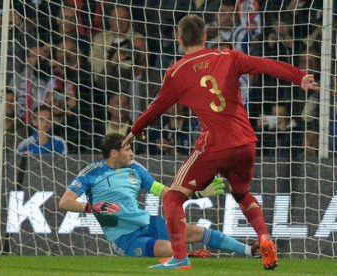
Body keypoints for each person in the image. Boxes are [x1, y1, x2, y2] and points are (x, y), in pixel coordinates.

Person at [123, 14, 319, 270]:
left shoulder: (177, 72)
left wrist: (135, 129)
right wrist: (299, 76)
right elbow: (264, 64)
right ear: (205, 37)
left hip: (214, 145)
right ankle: (263, 237)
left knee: (172, 197)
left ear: (180, 40)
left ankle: (180, 257)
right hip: (246, 141)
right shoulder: (229, 56)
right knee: (241, 193)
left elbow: (157, 106)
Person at [59, 133, 259, 260]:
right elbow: (65, 202)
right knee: (173, 248)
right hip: (124, 238)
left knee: (193, 231)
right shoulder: (91, 173)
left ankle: (249, 251)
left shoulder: (136, 169)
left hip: (147, 223)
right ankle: (189, 256)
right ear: (113, 153)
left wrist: (197, 193)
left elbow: (165, 193)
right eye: (127, 149)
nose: (132, 153)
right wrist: (93, 207)